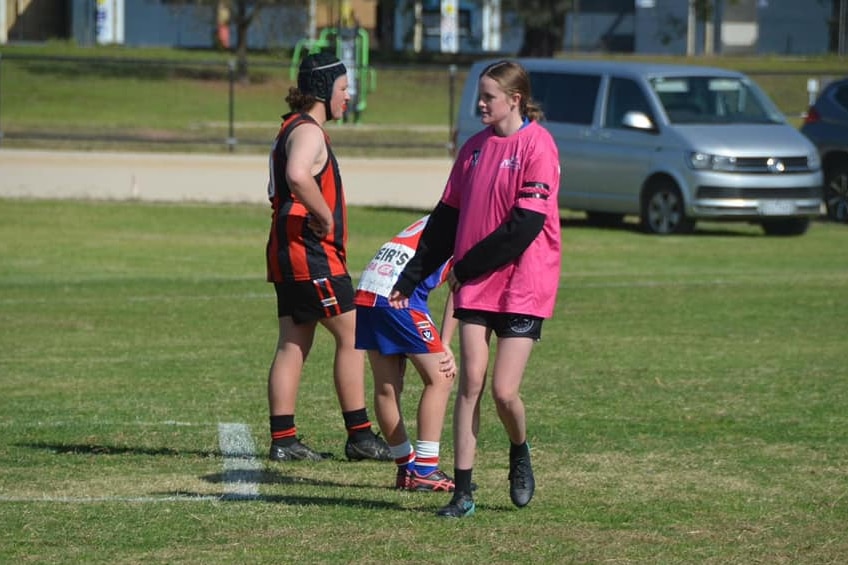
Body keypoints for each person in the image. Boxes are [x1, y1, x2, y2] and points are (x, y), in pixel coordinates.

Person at [388, 60, 561, 518]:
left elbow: (525, 226)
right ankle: (462, 493)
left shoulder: (538, 146)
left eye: (488, 96)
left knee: (504, 392)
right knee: (470, 385)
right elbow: (444, 219)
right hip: (476, 284)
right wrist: (410, 275)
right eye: (479, 95)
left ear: (514, 100)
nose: (479, 103)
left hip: (523, 284)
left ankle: (519, 451)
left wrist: (465, 264)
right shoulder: (473, 150)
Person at [264, 52, 390, 463]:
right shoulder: (309, 133)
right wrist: (323, 215)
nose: (348, 97)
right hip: (310, 252)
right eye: (343, 88)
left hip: (289, 250)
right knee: (354, 336)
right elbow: (297, 175)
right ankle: (359, 435)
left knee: (293, 343)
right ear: (322, 91)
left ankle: (284, 440)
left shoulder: (292, 128)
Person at [354, 216, 460, 491]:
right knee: (441, 377)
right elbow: (459, 286)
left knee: (387, 387)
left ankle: (406, 469)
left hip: (368, 289)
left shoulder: (445, 210)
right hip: (398, 294)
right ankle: (425, 469)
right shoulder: (472, 219)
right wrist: (445, 341)